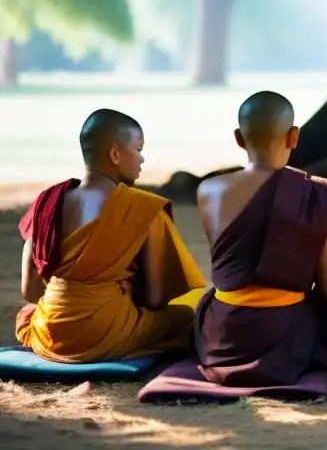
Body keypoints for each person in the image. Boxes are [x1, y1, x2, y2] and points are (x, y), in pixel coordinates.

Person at [193, 91, 327, 387]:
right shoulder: (315, 197)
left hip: (223, 338)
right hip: (285, 332)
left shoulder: (208, 190)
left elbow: (232, 269)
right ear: (294, 136)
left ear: (239, 138)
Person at [17, 110, 205, 362]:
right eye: (138, 149)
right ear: (115, 154)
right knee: (185, 316)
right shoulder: (142, 207)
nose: (142, 159)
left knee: (28, 314)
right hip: (108, 332)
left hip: (51, 335)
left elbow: (30, 292)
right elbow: (154, 299)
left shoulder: (46, 203)